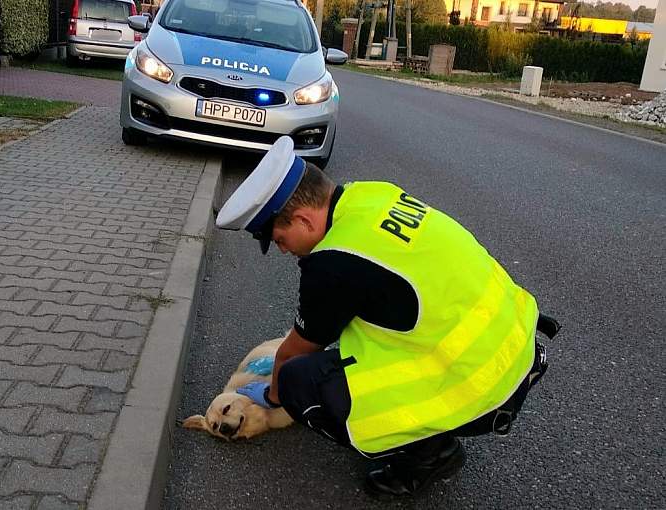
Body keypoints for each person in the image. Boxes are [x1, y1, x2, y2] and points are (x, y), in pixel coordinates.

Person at [215, 137, 560, 497]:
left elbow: (293, 353)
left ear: (303, 219)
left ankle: (429, 454)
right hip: (516, 345)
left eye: (279, 239)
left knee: (297, 381)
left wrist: (272, 395)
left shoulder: (331, 262)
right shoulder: (373, 195)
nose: (283, 250)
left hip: (483, 382)